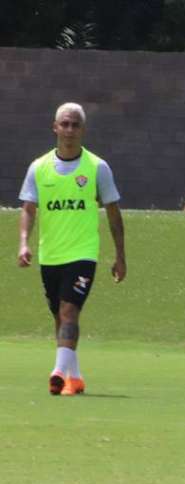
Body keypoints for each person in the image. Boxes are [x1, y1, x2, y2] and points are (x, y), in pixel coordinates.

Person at [17, 102, 127, 396]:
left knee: (69, 311)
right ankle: (74, 378)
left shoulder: (97, 168)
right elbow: (29, 208)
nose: (69, 130)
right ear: (55, 128)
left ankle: (57, 372)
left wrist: (120, 256)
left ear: (83, 130)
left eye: (75, 125)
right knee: (59, 316)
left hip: (83, 254)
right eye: (64, 124)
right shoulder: (38, 168)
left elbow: (114, 214)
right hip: (50, 255)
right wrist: (24, 243)